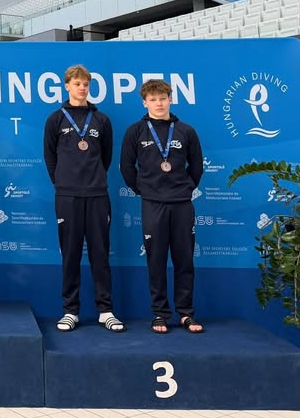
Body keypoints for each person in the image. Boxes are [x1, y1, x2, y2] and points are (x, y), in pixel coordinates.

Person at [119, 78, 205, 334]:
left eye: (163, 98)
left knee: (184, 260)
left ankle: (186, 313)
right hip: (152, 204)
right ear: (145, 103)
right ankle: (160, 313)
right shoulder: (135, 131)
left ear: (170, 100)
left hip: (182, 204)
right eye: (153, 99)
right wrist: (144, 190)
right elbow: (126, 167)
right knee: (156, 261)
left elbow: (196, 166)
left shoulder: (186, 131)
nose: (159, 103)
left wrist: (185, 188)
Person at [43, 65, 124, 333]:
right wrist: (63, 182)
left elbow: (106, 157)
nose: (82, 88)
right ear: (67, 86)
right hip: (67, 196)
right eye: (77, 84)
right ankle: (70, 311)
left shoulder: (101, 120)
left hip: (97, 194)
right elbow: (50, 156)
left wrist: (94, 179)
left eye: (85, 84)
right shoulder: (56, 119)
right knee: (70, 255)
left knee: (100, 254)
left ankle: (106, 310)